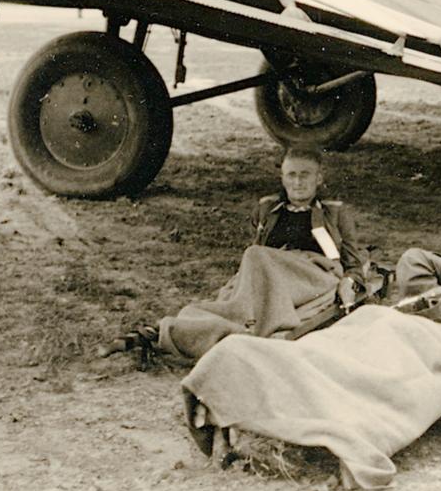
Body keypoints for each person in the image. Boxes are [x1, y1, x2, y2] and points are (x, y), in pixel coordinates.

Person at [105, 146, 368, 361]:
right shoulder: (267, 208)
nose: (298, 182)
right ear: (282, 177)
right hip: (272, 277)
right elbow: (257, 261)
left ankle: (234, 330)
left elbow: (353, 264)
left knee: (255, 257)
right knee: (222, 298)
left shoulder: (335, 211)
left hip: (313, 276)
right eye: (291, 175)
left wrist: (349, 283)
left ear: (319, 178)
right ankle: (168, 330)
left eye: (305, 175)